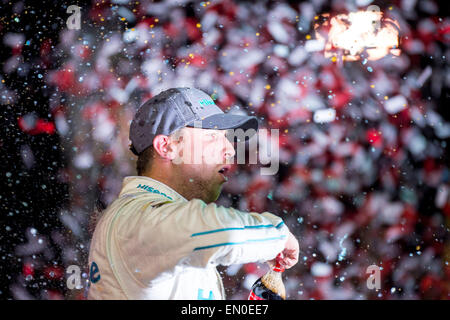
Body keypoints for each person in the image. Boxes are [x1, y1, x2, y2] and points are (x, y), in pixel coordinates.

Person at [87, 87, 299, 300]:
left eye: (225, 137)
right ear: (167, 147)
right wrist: (277, 234)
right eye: (212, 136)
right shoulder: (132, 218)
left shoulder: (149, 222)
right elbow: (225, 233)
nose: (230, 149)